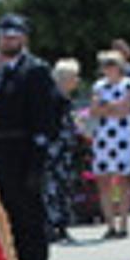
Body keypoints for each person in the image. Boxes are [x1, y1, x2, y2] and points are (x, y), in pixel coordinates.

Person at [0, 14, 60, 260]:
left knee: (31, 219)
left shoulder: (36, 70)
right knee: (7, 218)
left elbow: (45, 119)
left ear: (24, 38)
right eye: (4, 35)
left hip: (25, 151)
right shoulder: (0, 73)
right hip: (1, 152)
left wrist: (38, 161)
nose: (8, 40)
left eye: (14, 36)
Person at [90, 50, 130, 239]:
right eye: (105, 65)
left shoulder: (129, 84)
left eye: (112, 65)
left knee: (123, 179)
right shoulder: (99, 86)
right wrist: (111, 107)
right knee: (104, 181)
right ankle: (110, 224)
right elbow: (94, 110)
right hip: (103, 137)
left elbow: (125, 108)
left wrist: (106, 107)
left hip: (123, 136)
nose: (108, 69)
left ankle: (124, 223)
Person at [45, 57, 85, 243]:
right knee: (54, 187)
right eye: (74, 76)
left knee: (64, 186)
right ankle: (54, 225)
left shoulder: (64, 98)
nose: (77, 80)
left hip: (65, 150)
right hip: (55, 150)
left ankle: (61, 225)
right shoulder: (53, 97)